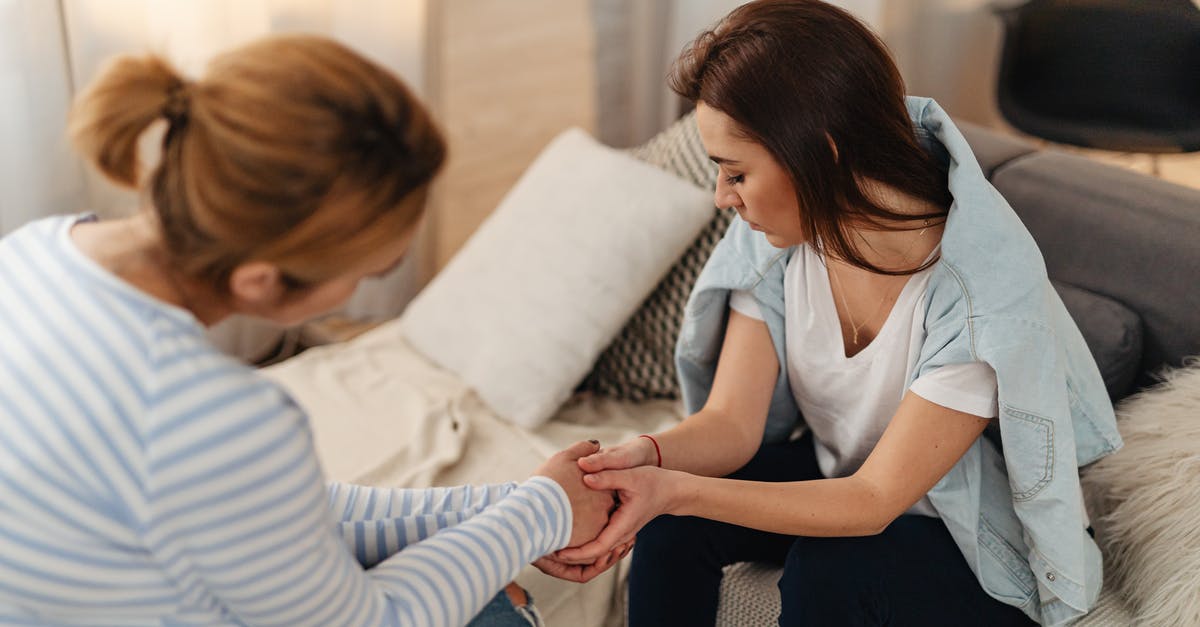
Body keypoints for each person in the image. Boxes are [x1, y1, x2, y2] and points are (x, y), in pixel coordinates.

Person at [0, 34, 625, 627]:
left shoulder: (30, 254)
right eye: (369, 270)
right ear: (259, 280)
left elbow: (279, 513)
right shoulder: (215, 413)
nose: (370, 283)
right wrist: (537, 516)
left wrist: (515, 502)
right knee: (497, 602)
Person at [546, 1, 1123, 625]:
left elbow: (874, 500)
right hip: (845, 475)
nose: (722, 198)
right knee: (671, 530)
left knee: (829, 570)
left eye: (736, 174)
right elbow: (731, 424)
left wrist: (678, 489)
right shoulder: (776, 239)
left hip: (964, 528)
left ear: (820, 155)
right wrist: (647, 459)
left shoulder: (980, 298)